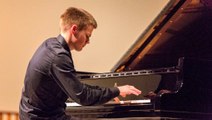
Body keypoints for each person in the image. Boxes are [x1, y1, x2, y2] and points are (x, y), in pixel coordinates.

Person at [19, 7, 142, 120]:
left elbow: (78, 88)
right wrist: (117, 90)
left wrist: (110, 92)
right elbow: (83, 96)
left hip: (38, 114)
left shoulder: (50, 44)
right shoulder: (59, 56)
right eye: (87, 36)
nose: (88, 42)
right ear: (74, 29)